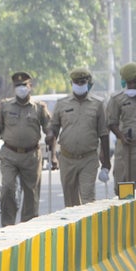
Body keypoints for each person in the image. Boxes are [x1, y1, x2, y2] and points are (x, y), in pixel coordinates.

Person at [0, 72, 50, 227]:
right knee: (8, 187)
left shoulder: (39, 108)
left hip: (31, 156)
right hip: (9, 154)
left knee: (31, 193)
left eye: (24, 85)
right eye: (18, 86)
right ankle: (8, 226)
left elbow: (49, 129)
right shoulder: (5, 106)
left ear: (30, 87)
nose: (21, 88)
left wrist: (51, 138)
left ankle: (27, 227)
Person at [46, 68, 110, 207]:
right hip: (67, 158)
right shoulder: (62, 103)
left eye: (83, 82)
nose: (80, 85)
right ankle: (75, 229)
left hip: (88, 158)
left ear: (88, 83)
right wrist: (51, 137)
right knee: (70, 202)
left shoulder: (98, 104)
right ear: (72, 83)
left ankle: (89, 228)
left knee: (88, 198)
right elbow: (54, 127)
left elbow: (103, 133)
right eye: (77, 82)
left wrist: (106, 162)